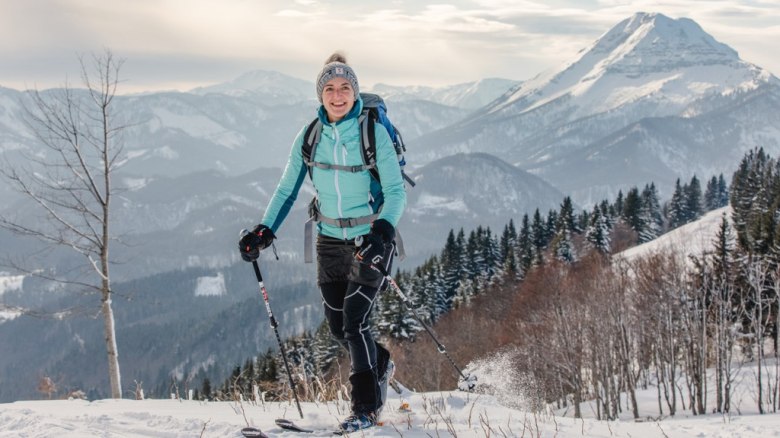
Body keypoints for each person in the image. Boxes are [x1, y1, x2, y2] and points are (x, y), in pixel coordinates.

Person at [238, 52, 406, 432]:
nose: (337, 95)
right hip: (329, 240)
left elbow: (395, 192)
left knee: (354, 321)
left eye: (345, 87)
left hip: (370, 240)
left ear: (355, 92)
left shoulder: (371, 131)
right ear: (320, 94)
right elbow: (286, 188)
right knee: (336, 326)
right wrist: (263, 231)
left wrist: (382, 233)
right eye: (329, 88)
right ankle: (379, 363)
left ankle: (365, 408)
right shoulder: (310, 135)